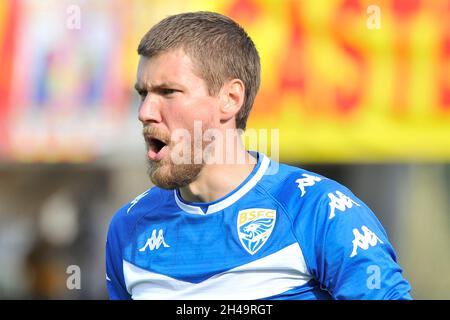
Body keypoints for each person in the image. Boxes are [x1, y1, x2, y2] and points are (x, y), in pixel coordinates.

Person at [105, 11, 412, 300]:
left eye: (168, 92)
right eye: (143, 94)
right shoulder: (129, 229)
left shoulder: (318, 211)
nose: (145, 112)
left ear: (230, 99)